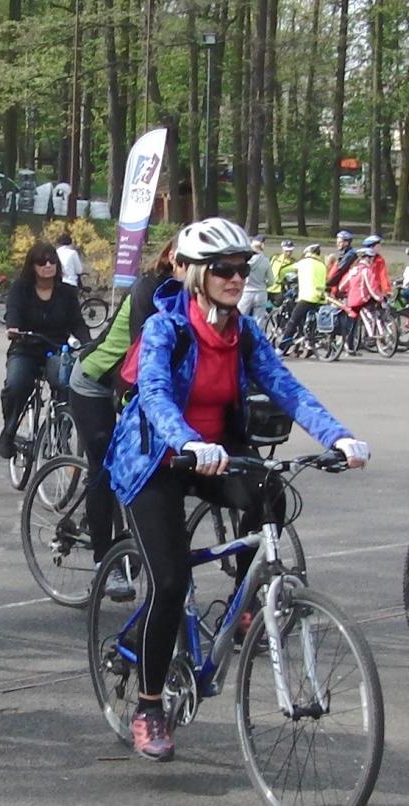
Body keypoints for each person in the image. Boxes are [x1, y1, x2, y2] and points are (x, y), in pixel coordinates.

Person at [102, 216, 369, 763]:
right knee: (171, 585)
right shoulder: (166, 327)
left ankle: (248, 604)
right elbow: (153, 392)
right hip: (156, 458)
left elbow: (287, 387)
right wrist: (185, 439)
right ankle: (149, 707)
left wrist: (338, 435)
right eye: (223, 268)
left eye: (242, 267)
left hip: (216, 453)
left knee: (270, 493)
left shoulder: (242, 331)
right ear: (197, 274)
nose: (236, 276)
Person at [68, 240, 177, 596]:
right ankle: (106, 564)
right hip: (96, 381)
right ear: (171, 257)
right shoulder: (148, 290)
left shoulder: (195, 296)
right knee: (106, 468)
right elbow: (139, 358)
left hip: (127, 382)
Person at [0, 241, 91, 459]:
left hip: (57, 349)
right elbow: (13, 311)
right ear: (32, 266)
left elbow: (77, 322)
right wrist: (13, 328)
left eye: (52, 261)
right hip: (25, 348)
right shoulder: (20, 289)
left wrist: (88, 343)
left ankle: (62, 436)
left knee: (67, 384)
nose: (48, 265)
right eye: (42, 261)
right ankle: (9, 431)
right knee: (16, 385)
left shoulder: (67, 292)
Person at [277, 244, 329, 354]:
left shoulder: (304, 263)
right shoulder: (322, 265)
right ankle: (309, 343)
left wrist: (280, 279)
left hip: (307, 297)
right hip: (320, 298)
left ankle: (281, 347)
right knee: (308, 320)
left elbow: (285, 270)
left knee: (293, 320)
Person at [336, 248, 385, 355]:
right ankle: (374, 333)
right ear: (367, 258)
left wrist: (346, 292)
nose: (372, 260)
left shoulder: (354, 270)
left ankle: (350, 348)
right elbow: (371, 287)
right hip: (362, 300)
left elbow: (342, 286)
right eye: (371, 258)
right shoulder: (366, 270)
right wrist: (379, 298)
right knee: (374, 310)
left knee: (352, 324)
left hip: (351, 301)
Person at [237, 235, 271, 319]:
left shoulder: (245, 261)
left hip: (247, 291)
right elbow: (271, 281)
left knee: (241, 317)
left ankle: (240, 332)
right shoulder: (266, 260)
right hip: (261, 292)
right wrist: (264, 283)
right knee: (258, 320)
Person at [267, 239, 297, 303]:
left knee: (279, 306)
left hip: (279, 289)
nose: (288, 253)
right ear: (282, 250)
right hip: (268, 287)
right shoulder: (275, 258)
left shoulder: (293, 262)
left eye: (290, 251)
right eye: (286, 251)